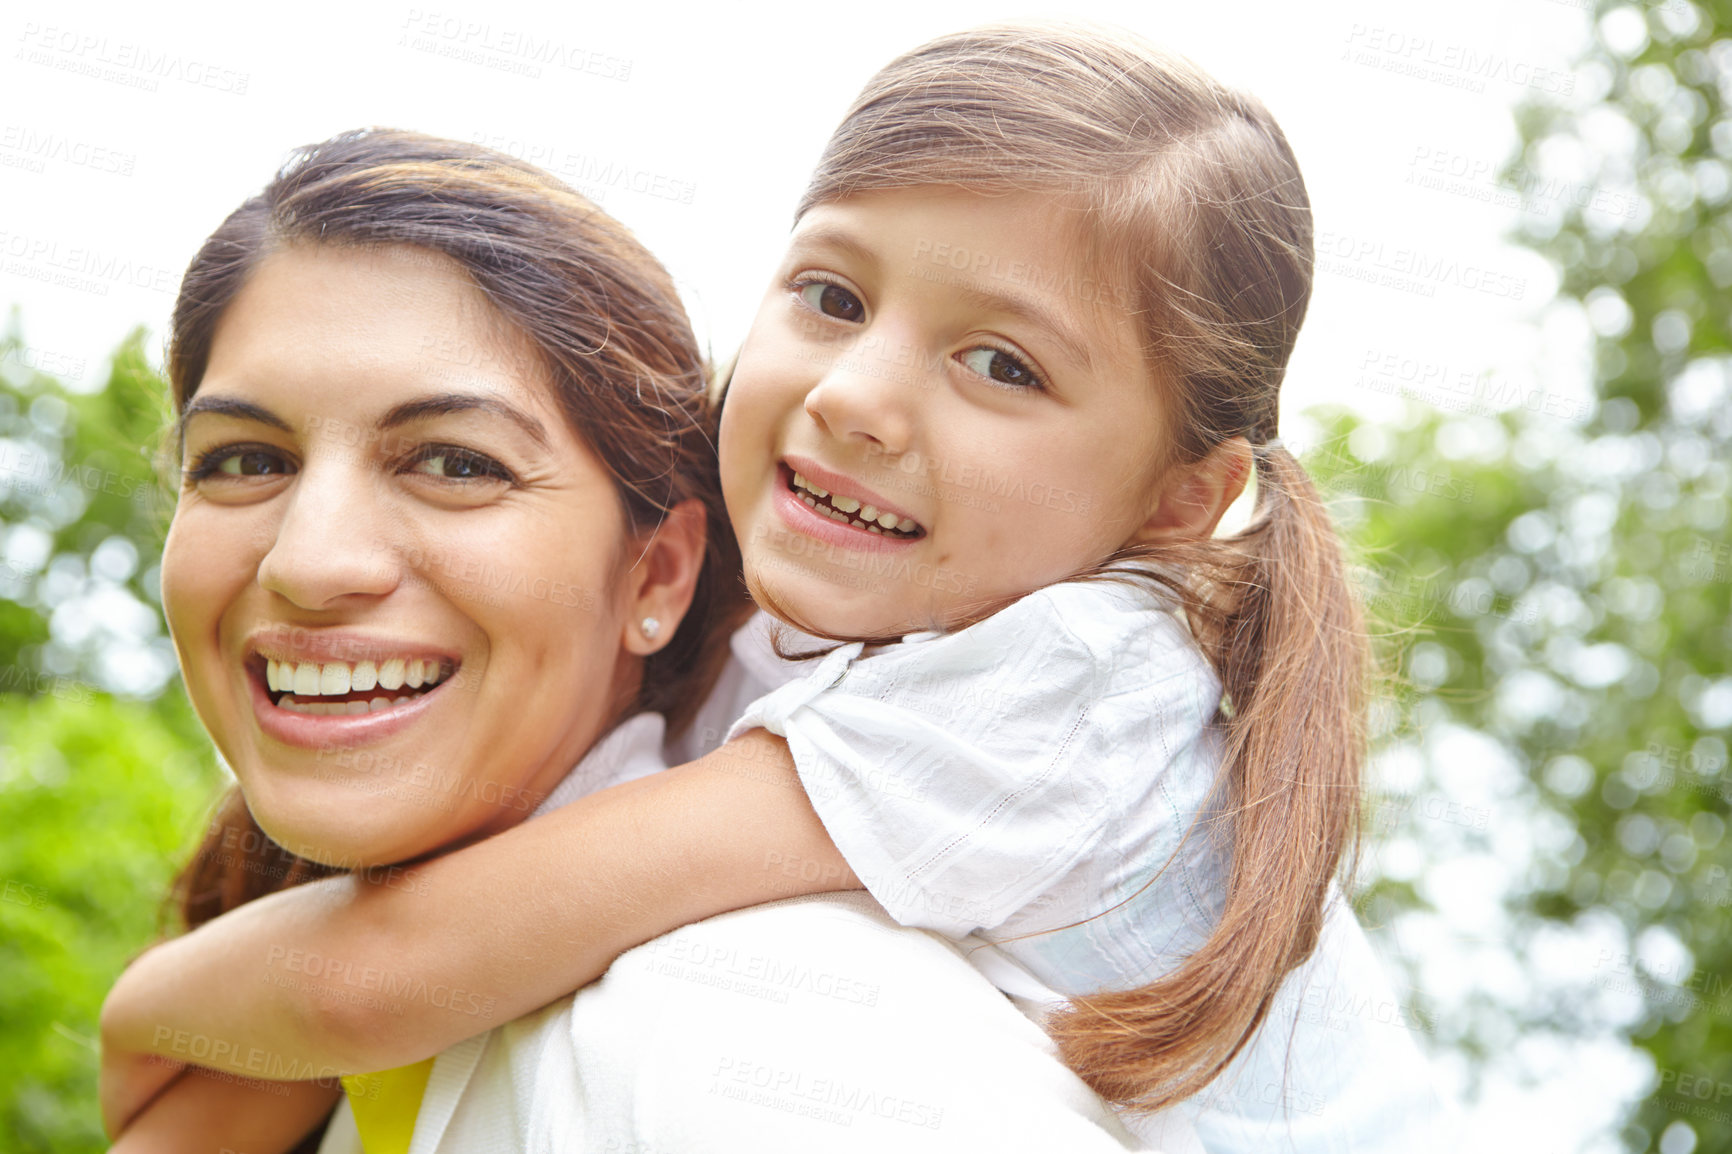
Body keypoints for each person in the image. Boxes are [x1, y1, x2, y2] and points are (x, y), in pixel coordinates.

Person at [106, 24, 1451, 1151]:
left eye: (1004, 366)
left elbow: (369, 982)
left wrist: (143, 1006)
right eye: (831, 293)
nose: (855, 395)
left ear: (1179, 501)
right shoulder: (803, 654)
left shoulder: (1075, 683)